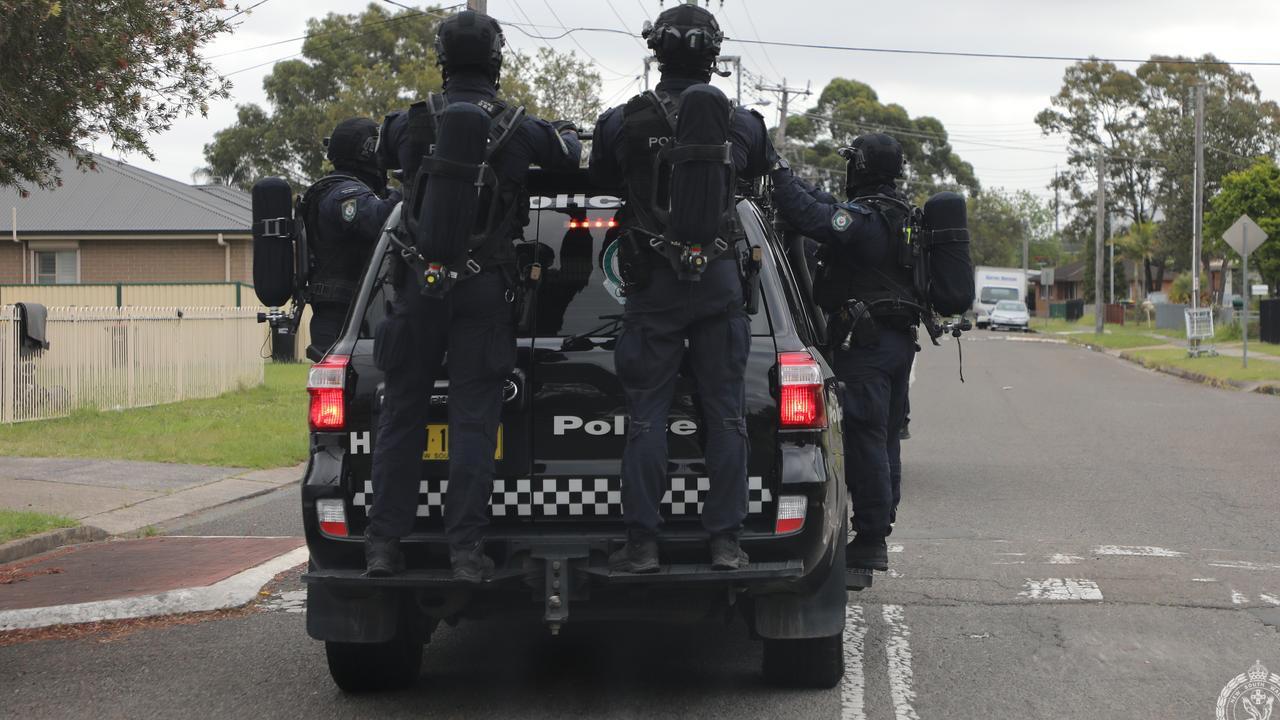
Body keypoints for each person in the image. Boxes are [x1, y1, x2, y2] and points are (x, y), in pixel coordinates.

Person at [365, 10, 582, 581]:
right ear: (497, 60)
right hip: (485, 289)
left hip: (417, 287)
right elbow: (566, 156)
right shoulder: (517, 129)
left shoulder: (410, 122)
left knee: (402, 417)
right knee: (472, 423)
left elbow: (377, 154)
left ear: (442, 60)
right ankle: (466, 551)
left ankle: (384, 546)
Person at [589, 3, 779, 573]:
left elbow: (598, 179)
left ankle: (642, 544)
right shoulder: (743, 123)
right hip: (720, 282)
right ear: (714, 57)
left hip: (654, 284)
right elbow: (757, 173)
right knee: (726, 416)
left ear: (656, 50)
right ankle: (725, 542)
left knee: (647, 418)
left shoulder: (622, 121)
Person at [770, 133, 919, 573]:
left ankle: (871, 538)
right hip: (894, 341)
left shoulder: (865, 219)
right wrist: (789, 177)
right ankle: (879, 527)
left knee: (867, 437)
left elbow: (813, 217)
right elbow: (823, 204)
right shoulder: (894, 213)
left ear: (862, 167)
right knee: (885, 437)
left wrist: (776, 174)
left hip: (867, 345)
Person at [302, 117, 401, 361]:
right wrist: (412, 183)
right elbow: (379, 220)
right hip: (342, 319)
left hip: (354, 314)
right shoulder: (343, 194)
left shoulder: (360, 191)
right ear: (367, 152)